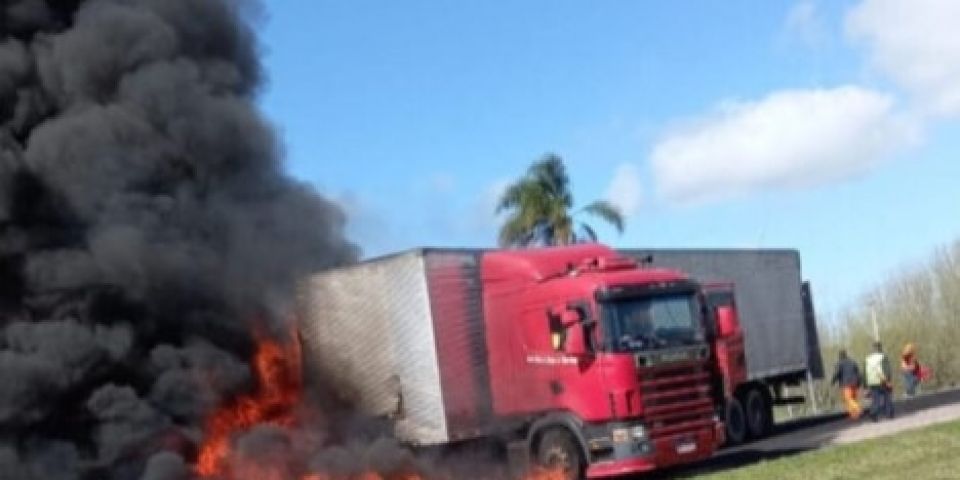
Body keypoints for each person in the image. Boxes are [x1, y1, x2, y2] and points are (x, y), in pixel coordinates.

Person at [865, 341, 894, 421]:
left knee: (875, 399)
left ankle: (873, 412)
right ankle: (889, 414)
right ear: (880, 348)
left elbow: (864, 372)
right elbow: (887, 369)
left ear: (873, 349)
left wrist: (865, 385)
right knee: (887, 397)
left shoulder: (868, 358)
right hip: (882, 380)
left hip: (872, 381)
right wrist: (888, 380)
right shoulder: (883, 357)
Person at [830, 349, 862, 420]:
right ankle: (854, 416)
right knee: (853, 398)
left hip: (846, 384)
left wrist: (832, 381)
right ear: (846, 354)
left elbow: (837, 373)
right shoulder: (853, 361)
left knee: (848, 399)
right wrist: (859, 382)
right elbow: (858, 373)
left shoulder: (839, 363)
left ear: (840, 356)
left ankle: (857, 409)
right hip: (855, 383)